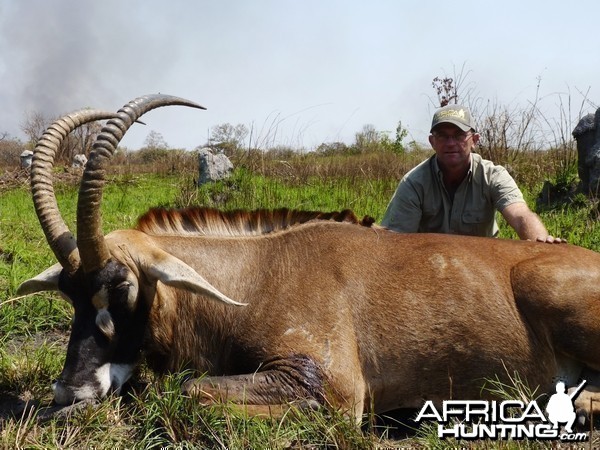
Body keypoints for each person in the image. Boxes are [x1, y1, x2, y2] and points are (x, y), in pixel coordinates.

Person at [381, 104, 564, 243]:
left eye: (459, 135)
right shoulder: (414, 183)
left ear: (474, 140)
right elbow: (396, 242)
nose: (451, 143)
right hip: (430, 267)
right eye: (442, 136)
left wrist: (542, 246)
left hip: (480, 268)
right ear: (432, 142)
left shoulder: (493, 176)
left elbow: (520, 215)